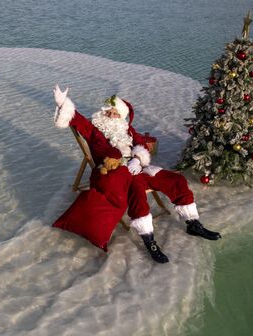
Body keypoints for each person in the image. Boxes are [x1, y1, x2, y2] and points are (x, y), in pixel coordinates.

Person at [53, 85, 221, 263]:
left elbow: (141, 143)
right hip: (116, 173)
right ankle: (149, 241)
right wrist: (63, 103)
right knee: (137, 191)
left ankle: (193, 223)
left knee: (176, 180)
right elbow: (78, 121)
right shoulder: (95, 129)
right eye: (109, 111)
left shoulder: (128, 131)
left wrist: (138, 159)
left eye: (115, 113)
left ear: (122, 117)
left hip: (137, 168)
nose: (111, 115)